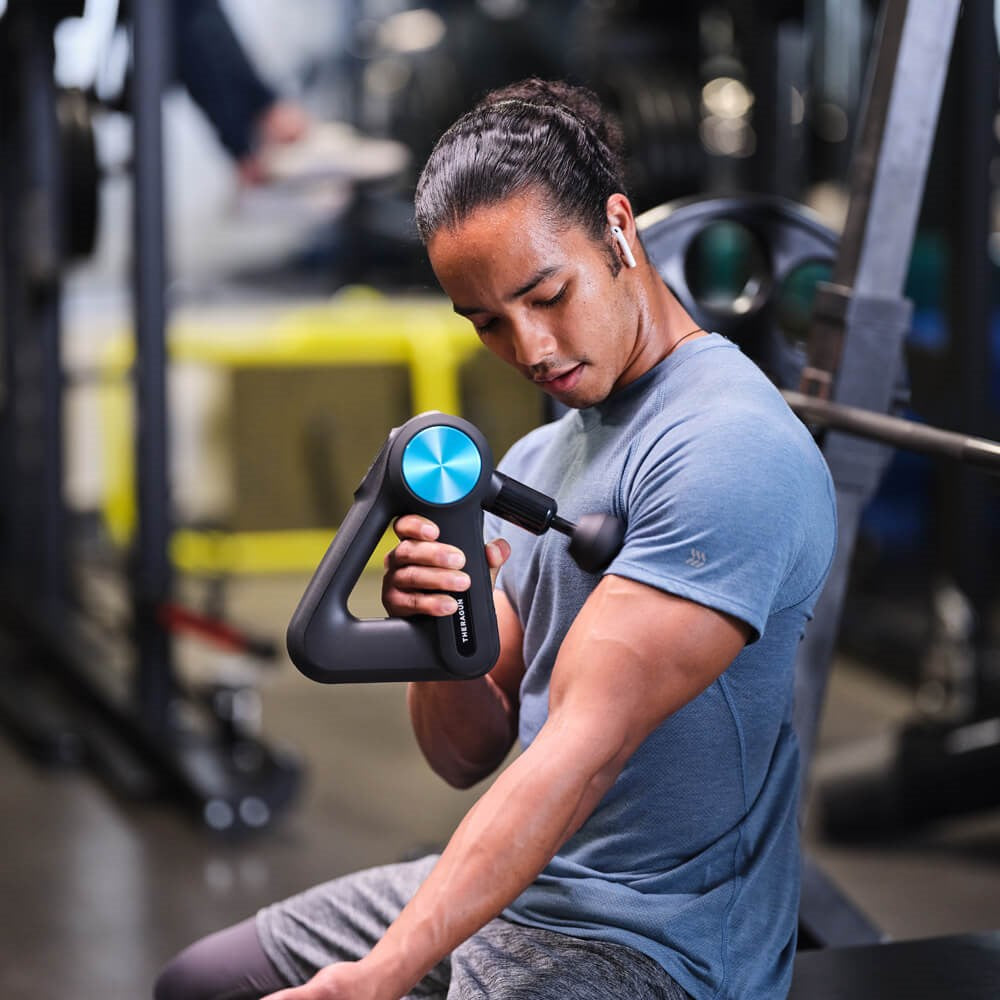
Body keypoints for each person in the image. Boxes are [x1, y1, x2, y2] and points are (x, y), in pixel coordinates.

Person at [154, 78, 837, 1000]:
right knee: (204, 982)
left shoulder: (727, 446)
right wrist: (444, 630)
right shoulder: (541, 452)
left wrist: (386, 971)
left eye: (546, 295)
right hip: (533, 887)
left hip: (657, 944)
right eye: (487, 323)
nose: (531, 350)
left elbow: (579, 750)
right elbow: (465, 754)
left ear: (620, 229)